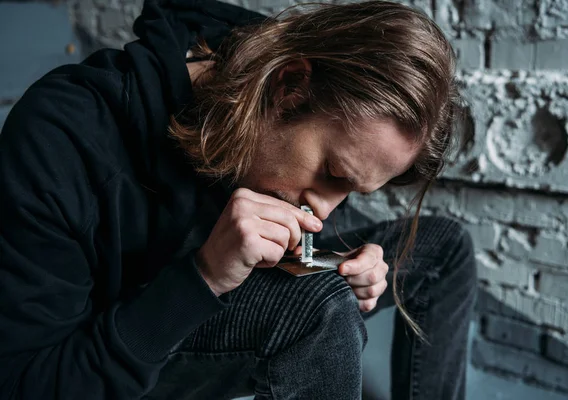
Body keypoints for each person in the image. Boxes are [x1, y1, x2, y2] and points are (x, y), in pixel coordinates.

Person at [0, 0, 477, 399]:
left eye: (352, 188)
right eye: (332, 173)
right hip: (133, 333)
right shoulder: (59, 136)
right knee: (316, 307)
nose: (327, 209)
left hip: (209, 274)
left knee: (445, 246)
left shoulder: (266, 70)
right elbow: (27, 383)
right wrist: (203, 277)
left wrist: (334, 262)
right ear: (288, 87)